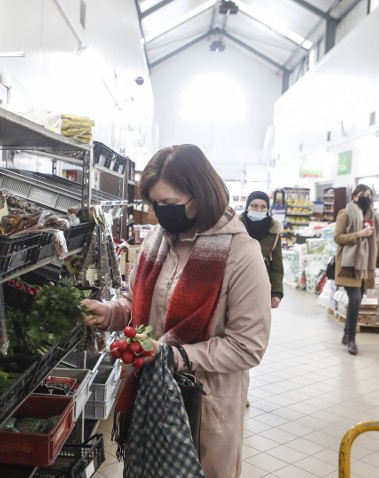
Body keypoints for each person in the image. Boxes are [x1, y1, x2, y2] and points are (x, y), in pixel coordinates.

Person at [82, 144, 272, 478]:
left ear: (200, 194)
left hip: (203, 406)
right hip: (150, 400)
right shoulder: (159, 240)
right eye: (155, 204)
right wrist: (110, 312)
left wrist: (173, 356)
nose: (160, 213)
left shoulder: (241, 253)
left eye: (169, 204)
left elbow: (248, 346)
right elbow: (135, 303)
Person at [333, 185, 379, 355]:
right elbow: (338, 237)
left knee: (358, 299)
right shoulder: (346, 213)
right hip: (349, 265)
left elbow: (377, 241)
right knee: (354, 299)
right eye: (363, 195)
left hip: (365, 265)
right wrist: (359, 234)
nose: (366, 198)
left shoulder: (373, 216)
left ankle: (347, 334)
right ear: (354, 196)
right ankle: (352, 339)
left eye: (369, 195)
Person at [238, 191, 284, 308]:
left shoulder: (273, 232)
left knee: (258, 321)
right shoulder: (236, 227)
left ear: (268, 209)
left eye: (263, 207)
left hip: (262, 286)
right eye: (254, 206)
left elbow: (276, 266)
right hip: (236, 284)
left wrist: (276, 292)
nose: (258, 210)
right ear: (247, 206)